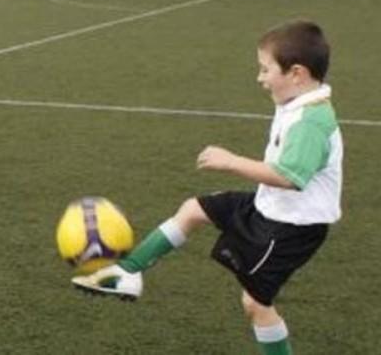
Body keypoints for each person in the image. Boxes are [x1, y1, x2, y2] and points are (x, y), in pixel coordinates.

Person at [73, 20, 342, 355]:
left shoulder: (311, 122)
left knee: (256, 305)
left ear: (297, 74)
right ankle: (128, 273)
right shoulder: (300, 100)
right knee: (194, 209)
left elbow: (289, 177)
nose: (259, 78)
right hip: (270, 205)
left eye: (265, 70)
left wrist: (230, 161)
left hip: (292, 227)